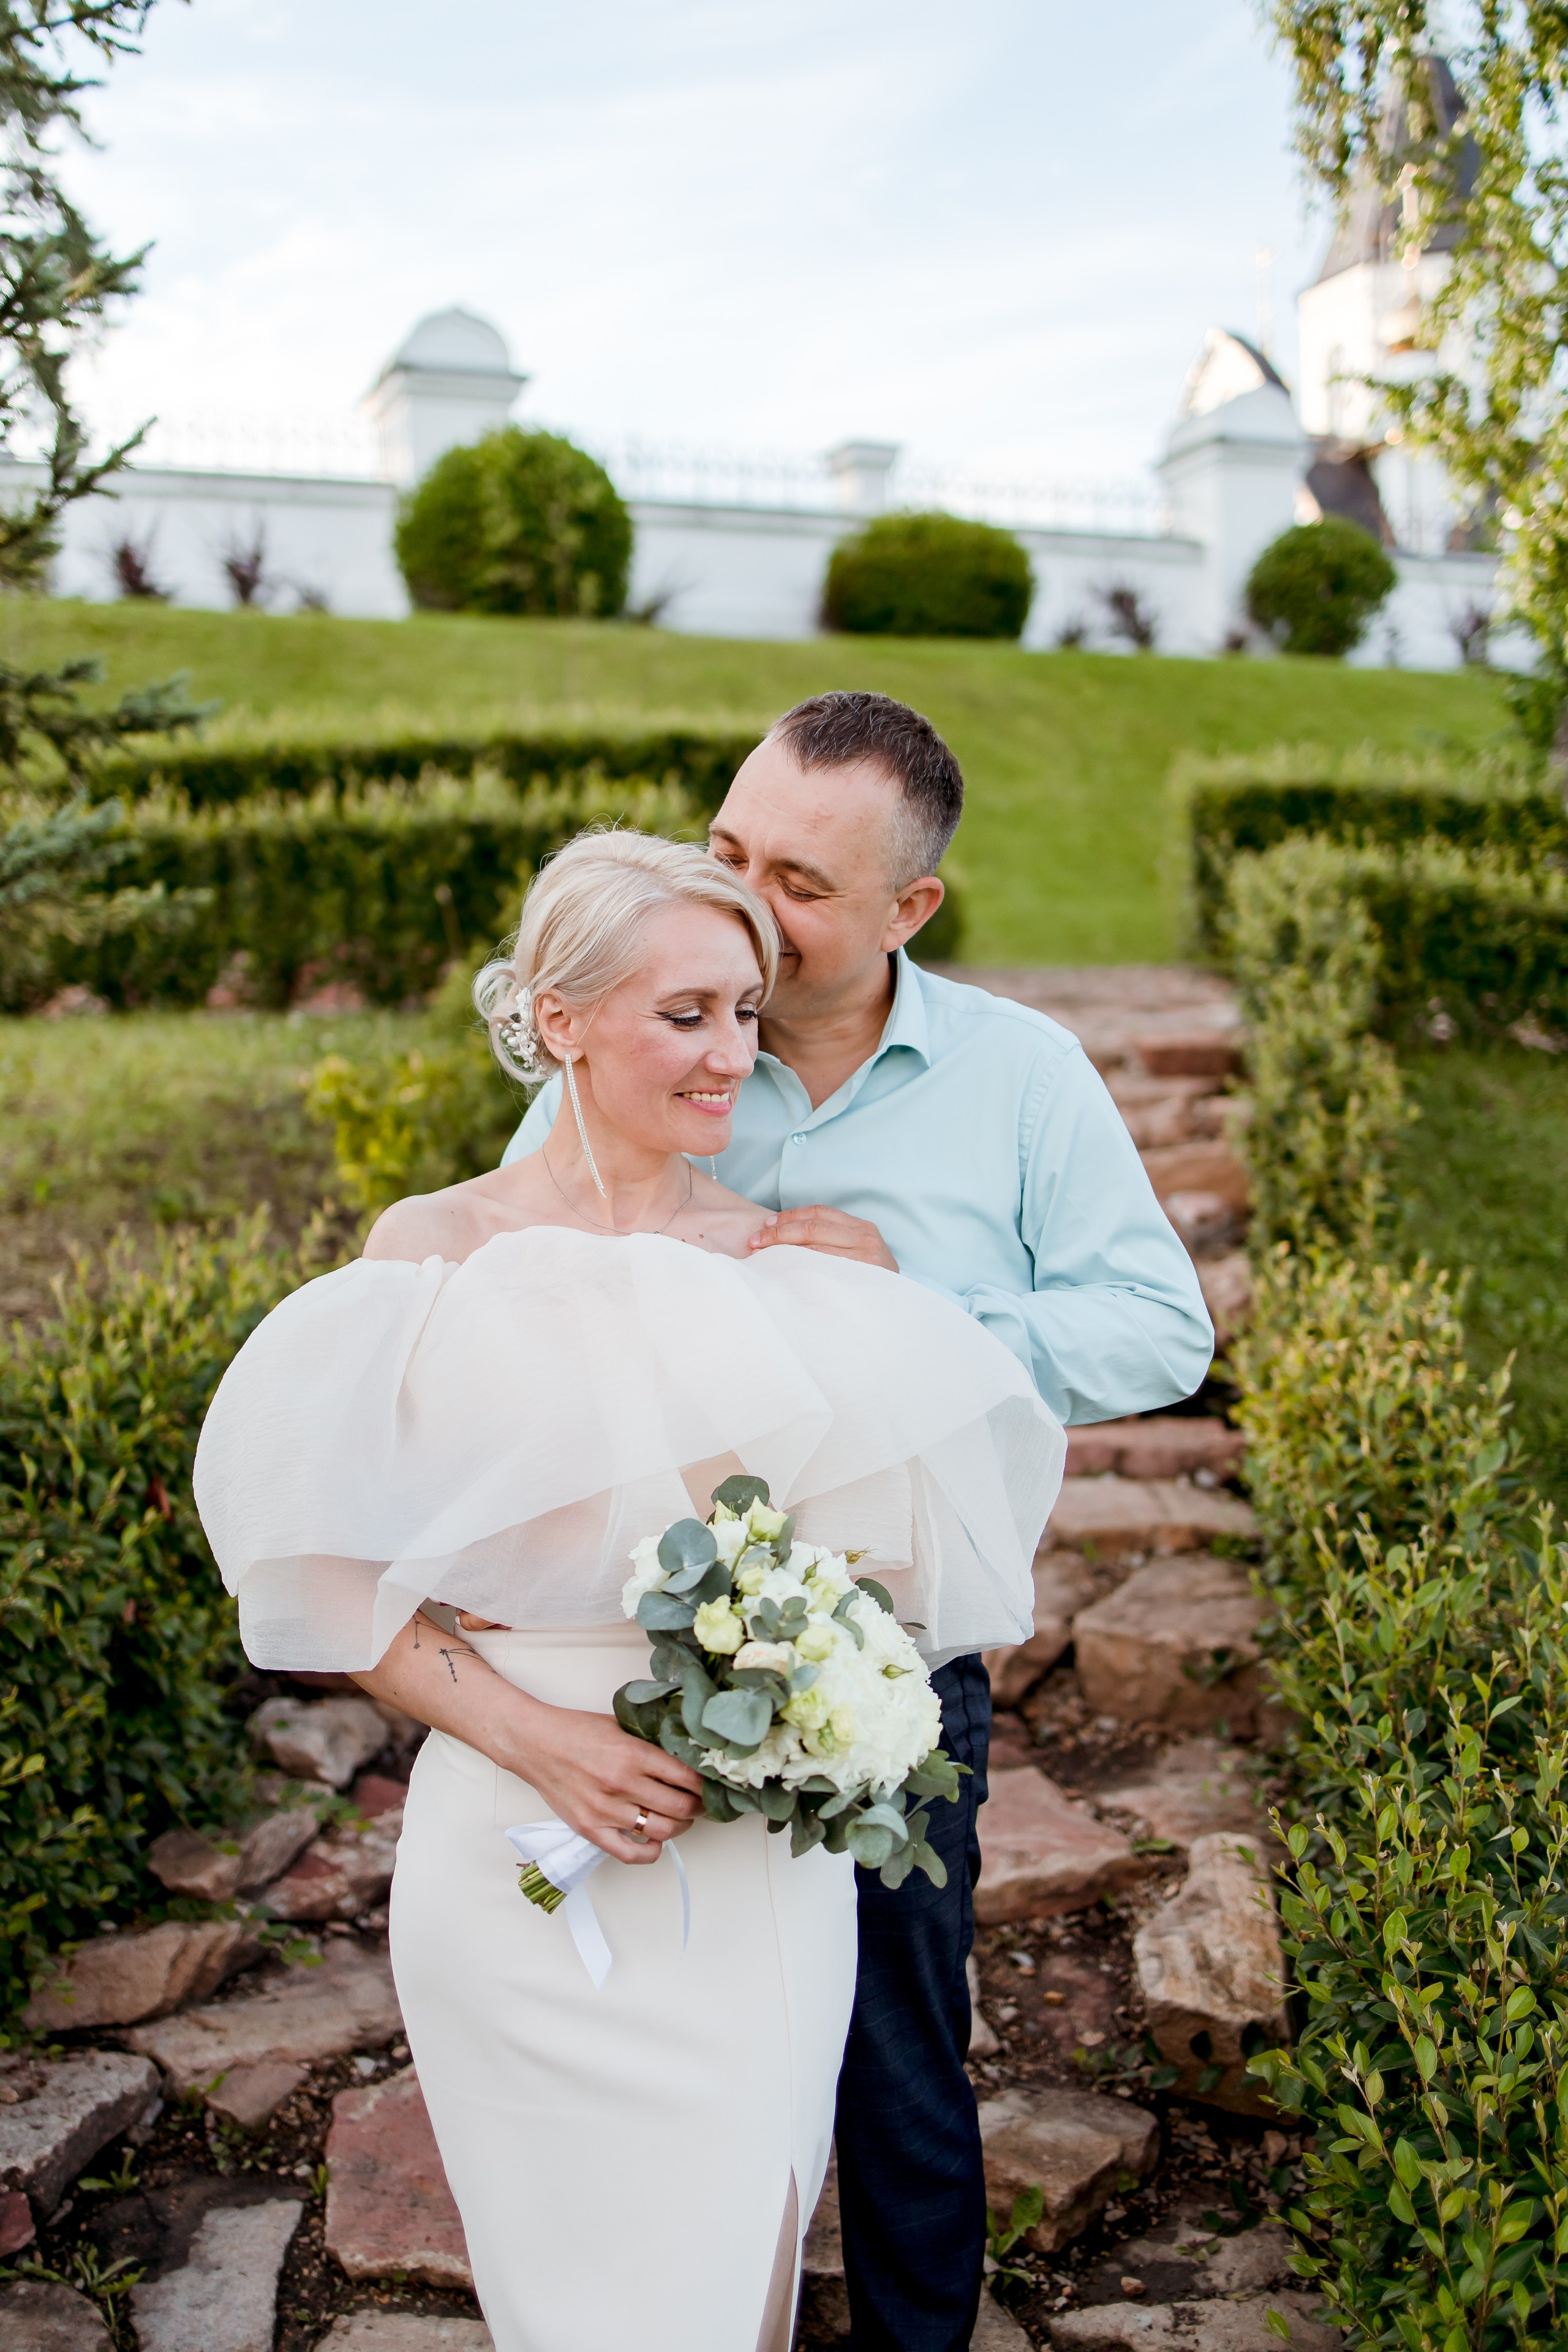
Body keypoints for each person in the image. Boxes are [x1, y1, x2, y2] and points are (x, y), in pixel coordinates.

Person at [194, 828, 1066, 2352]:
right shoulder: (431, 1259)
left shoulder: (787, 1268)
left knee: (721, 2283)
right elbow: (325, 1581)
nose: (733, 1055)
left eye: (744, 1011)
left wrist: (802, 1702)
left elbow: (887, 1589)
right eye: (687, 1017)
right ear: (558, 1015)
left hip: (748, 1883)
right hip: (510, 1863)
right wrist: (544, 1742)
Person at [503, 693, 1213, 2352]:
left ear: (913, 911)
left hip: (893, 1665)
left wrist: (935, 1312)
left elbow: (1161, 1329)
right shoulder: (644, 1032)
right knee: (667, 2049)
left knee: (898, 2061)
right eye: (729, 847)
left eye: (803, 885)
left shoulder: (1019, 1076)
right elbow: (521, 1296)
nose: (747, 897)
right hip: (646, 1640)